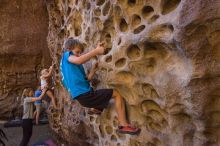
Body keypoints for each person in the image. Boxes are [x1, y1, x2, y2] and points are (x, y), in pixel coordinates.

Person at [60, 38, 141, 135]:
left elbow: (87, 79)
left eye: (80, 53)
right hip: (86, 95)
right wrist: (96, 51)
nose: (78, 55)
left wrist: (94, 69)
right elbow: (79, 60)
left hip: (83, 98)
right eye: (77, 52)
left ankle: (97, 108)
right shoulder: (66, 56)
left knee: (98, 96)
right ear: (69, 49)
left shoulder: (72, 68)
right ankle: (124, 125)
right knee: (116, 94)